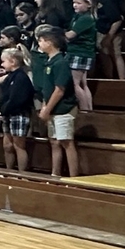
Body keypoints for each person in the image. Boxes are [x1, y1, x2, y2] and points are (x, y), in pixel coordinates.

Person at [37, 27, 80, 177]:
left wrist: (47, 109)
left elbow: (59, 90)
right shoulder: (49, 62)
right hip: (52, 109)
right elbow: (47, 89)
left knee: (66, 142)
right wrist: (44, 105)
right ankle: (55, 174)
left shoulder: (60, 62)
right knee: (54, 142)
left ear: (50, 42)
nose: (39, 44)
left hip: (63, 109)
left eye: (41, 41)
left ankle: (74, 177)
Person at [0, 48, 34, 173]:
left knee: (18, 146)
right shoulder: (9, 77)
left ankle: (22, 174)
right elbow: (3, 96)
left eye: (4, 61)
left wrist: (4, 110)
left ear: (13, 62)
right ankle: (9, 171)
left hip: (19, 114)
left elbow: (17, 98)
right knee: (7, 146)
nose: (1, 64)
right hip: (8, 115)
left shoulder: (21, 77)